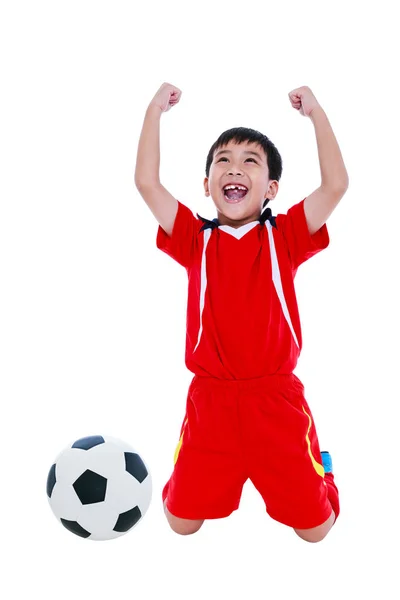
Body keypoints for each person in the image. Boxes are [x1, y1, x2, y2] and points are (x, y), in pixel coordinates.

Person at [134, 82, 349, 543]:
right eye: (223, 162)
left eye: (250, 161)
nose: (235, 168)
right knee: (181, 525)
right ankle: (194, 463)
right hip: (211, 401)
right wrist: (154, 110)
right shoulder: (194, 237)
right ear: (207, 184)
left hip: (275, 403)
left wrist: (316, 113)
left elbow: (336, 185)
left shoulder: (285, 235)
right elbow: (146, 183)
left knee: (316, 532)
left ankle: (319, 468)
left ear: (270, 187)